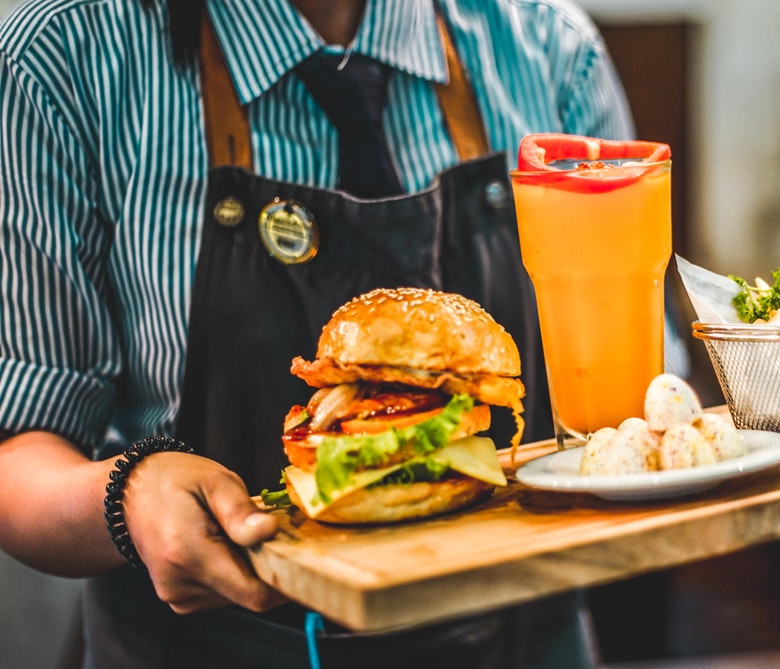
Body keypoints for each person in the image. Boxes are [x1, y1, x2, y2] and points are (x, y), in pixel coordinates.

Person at [0, 0, 692, 666]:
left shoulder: (548, 46)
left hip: (527, 636)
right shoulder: (63, 59)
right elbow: (19, 454)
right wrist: (127, 495)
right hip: (207, 642)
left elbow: (647, 392)